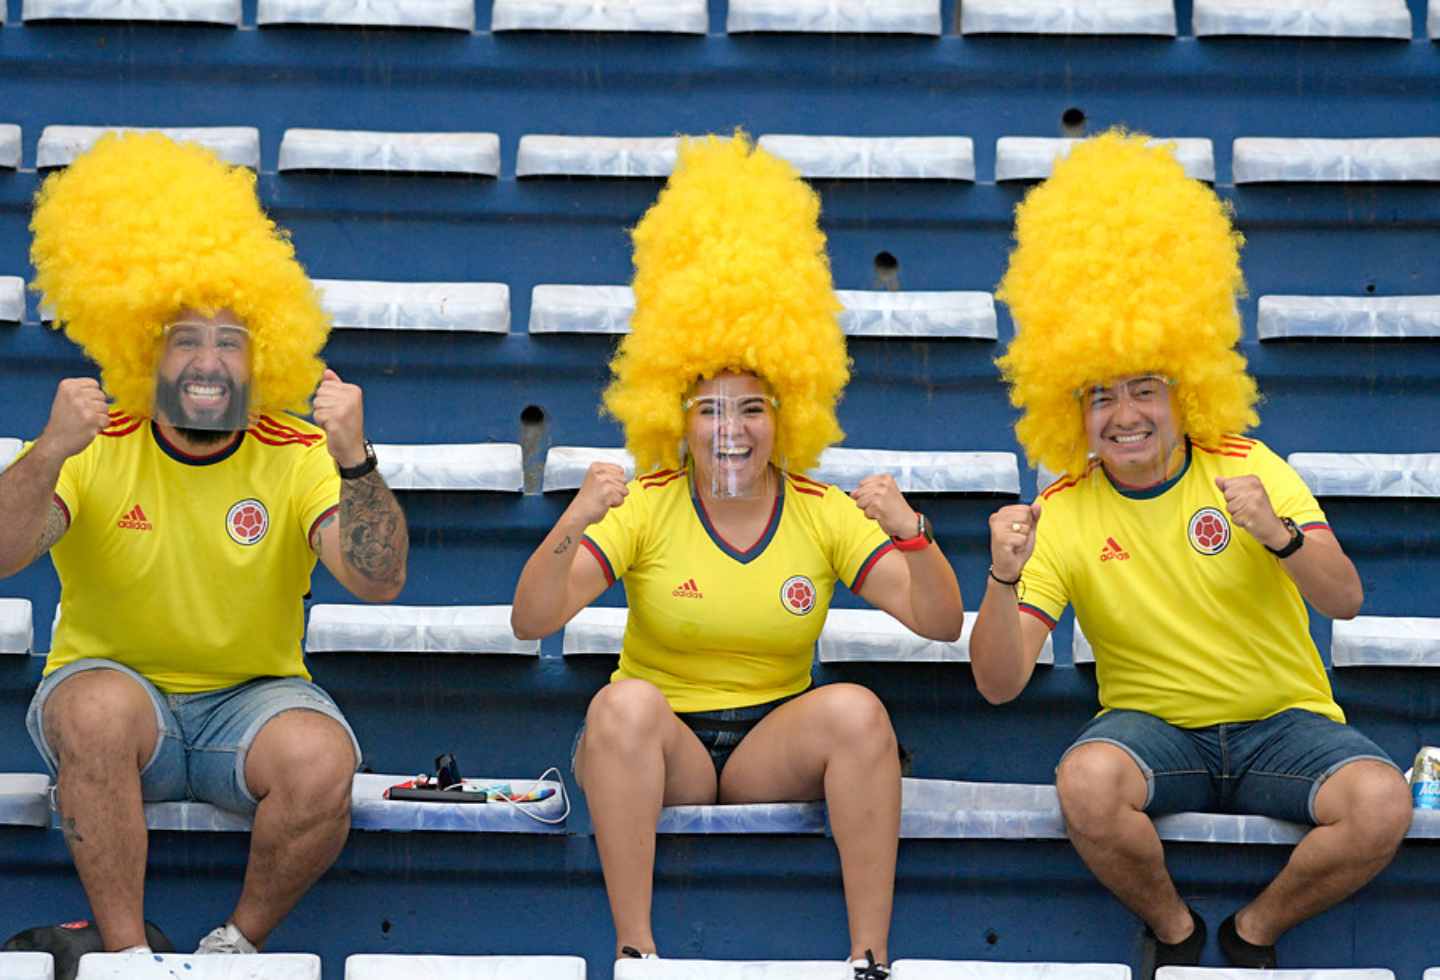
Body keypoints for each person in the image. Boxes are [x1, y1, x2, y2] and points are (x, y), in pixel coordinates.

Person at [511, 134, 964, 979]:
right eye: (708, 408)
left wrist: (914, 533)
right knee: (621, 707)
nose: (730, 429)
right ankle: (637, 952)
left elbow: (940, 624)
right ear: (674, 415)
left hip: (771, 747)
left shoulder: (823, 511)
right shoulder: (644, 503)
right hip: (662, 749)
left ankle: (871, 959)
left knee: (861, 710)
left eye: (752, 408)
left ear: (785, 416)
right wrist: (571, 518)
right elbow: (531, 617)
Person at [968, 131, 1411, 977]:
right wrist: (1000, 576)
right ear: (1073, 410)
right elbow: (998, 684)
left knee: (1381, 803)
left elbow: (1345, 599)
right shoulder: (1059, 510)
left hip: (1285, 724)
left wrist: (1276, 536)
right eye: (1101, 395)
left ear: (1186, 390)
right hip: (1153, 732)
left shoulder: (1248, 465)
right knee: (1087, 785)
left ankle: (1251, 934)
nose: (1125, 414)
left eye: (1146, 388)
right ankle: (1174, 933)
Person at [0, 132, 409, 960]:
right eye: (186, 337)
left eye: (231, 341)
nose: (208, 362)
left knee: (321, 757)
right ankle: (128, 961)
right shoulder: (96, 441)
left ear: (264, 357)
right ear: (145, 348)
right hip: (113, 691)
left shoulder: (296, 451)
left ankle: (234, 949)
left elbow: (378, 581)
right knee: (98, 710)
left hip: (251, 702)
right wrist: (47, 449)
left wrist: (355, 459)